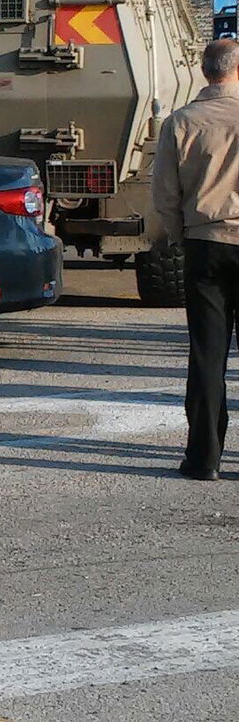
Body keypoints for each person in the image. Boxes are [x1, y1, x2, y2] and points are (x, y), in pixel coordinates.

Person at [152, 37, 239, 481]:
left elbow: (165, 192)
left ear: (205, 72)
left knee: (207, 354)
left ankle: (204, 457)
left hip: (205, 241)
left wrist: (177, 234)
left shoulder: (180, 122)